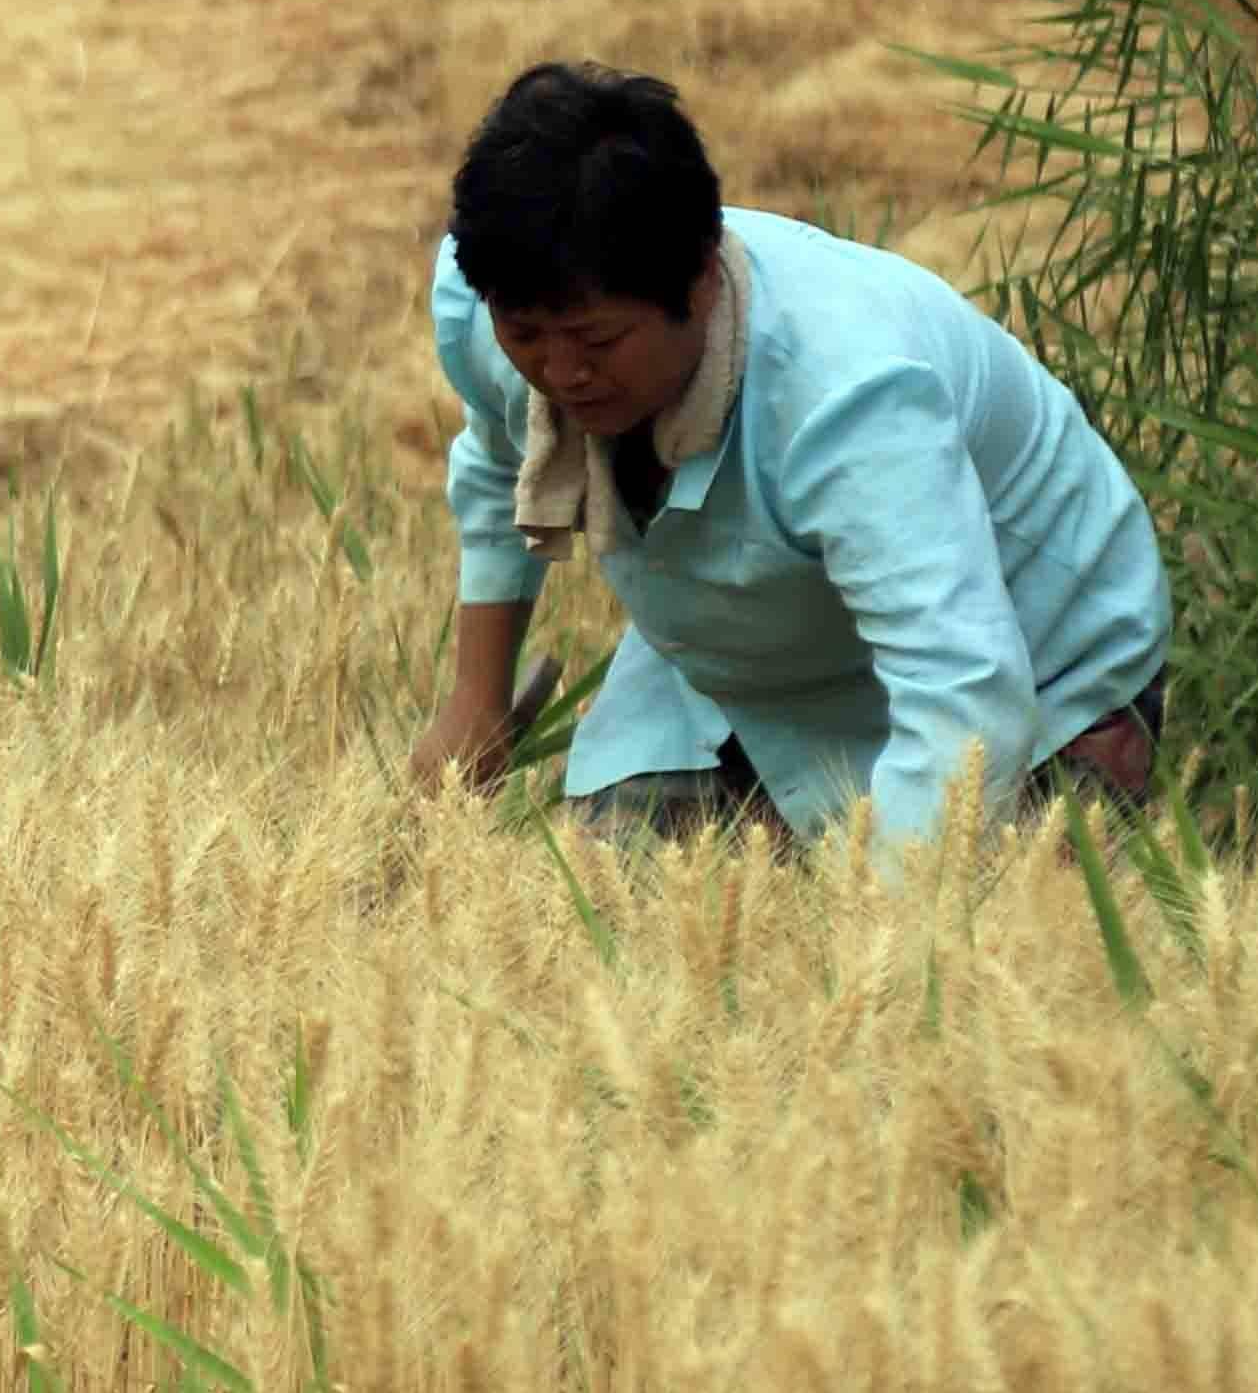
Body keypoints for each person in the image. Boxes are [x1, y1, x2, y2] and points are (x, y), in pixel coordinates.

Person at [406, 63, 1171, 849]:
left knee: (998, 908)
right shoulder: (499, 297)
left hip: (1027, 654)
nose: (560, 373)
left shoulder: (851, 398)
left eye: (599, 341)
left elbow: (965, 687)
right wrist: (477, 700)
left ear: (702, 280)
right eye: (527, 336)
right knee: (611, 893)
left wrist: (887, 946)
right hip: (743, 649)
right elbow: (504, 461)